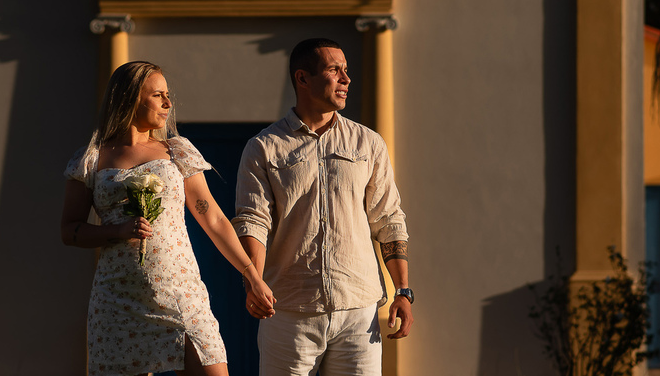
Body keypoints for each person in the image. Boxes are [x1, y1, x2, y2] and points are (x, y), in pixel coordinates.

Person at [62, 60, 276, 376]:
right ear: (131, 97)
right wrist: (118, 231)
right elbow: (70, 230)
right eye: (157, 95)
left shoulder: (176, 151)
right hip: (117, 300)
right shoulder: (91, 158)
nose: (168, 103)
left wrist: (252, 275)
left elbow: (214, 219)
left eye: (167, 95)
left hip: (180, 293)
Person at [233, 38, 414, 375]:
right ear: (303, 78)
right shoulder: (264, 147)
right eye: (334, 70)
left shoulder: (368, 143)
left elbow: (389, 219)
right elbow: (252, 220)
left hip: (358, 311)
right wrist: (253, 281)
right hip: (288, 310)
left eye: (346, 70)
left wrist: (403, 290)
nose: (346, 79)